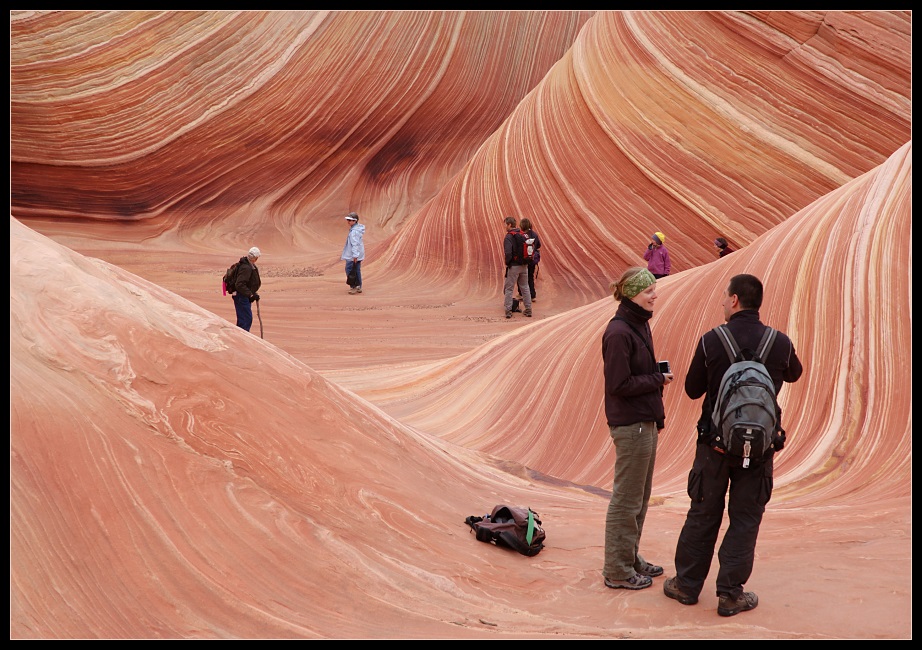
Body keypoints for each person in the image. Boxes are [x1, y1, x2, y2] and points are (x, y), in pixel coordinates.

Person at [664, 273, 803, 616]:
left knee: (703, 513)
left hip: (714, 446)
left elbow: (693, 389)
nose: (723, 302)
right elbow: (795, 373)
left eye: (725, 297)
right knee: (745, 518)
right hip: (759, 451)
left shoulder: (713, 340)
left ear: (735, 300)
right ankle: (730, 595)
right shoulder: (779, 342)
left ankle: (686, 586)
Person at [601, 267, 674, 590]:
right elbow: (618, 384)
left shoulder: (637, 325)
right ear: (632, 294)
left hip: (643, 421)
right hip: (631, 425)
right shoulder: (619, 332)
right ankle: (617, 569)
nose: (654, 295)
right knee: (627, 499)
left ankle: (629, 558)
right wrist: (658, 379)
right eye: (648, 292)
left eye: (654, 290)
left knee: (639, 498)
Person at [502, 216, 532, 319]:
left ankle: (508, 310)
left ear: (509, 225)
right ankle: (528, 309)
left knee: (509, 289)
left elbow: (508, 253)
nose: (505, 226)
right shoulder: (522, 234)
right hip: (524, 265)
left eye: (505, 224)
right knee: (525, 287)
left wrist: (508, 263)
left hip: (514, 266)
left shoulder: (509, 237)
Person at [232, 247, 262, 332]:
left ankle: (241, 337)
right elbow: (240, 284)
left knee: (245, 318)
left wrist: (252, 293)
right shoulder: (246, 267)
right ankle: (241, 339)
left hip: (243, 296)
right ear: (255, 258)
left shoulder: (249, 265)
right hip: (241, 296)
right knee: (245, 319)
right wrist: (250, 294)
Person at [518, 218, 542, 302]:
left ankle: (521, 294)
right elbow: (539, 245)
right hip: (532, 259)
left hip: (523, 260)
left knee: (520, 276)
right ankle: (532, 295)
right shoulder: (534, 234)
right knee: (530, 277)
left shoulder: (521, 234)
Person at [342, 212, 366, 294]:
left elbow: (354, 244)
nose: (348, 221)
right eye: (348, 220)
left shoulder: (354, 232)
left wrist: (355, 256)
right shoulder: (358, 229)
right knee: (357, 269)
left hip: (353, 255)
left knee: (349, 269)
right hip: (358, 253)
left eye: (350, 220)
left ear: (355, 221)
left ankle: (354, 286)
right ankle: (359, 286)